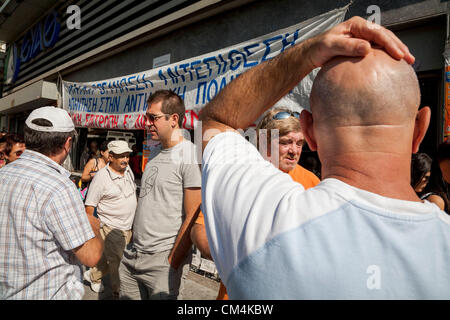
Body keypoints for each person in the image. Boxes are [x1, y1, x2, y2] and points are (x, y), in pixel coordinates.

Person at [199, 17, 450, 299]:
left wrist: (308, 52)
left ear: (308, 132)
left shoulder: (269, 218)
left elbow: (216, 121)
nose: (292, 150)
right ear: (421, 128)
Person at [191, 107, 320, 299]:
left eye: (300, 143)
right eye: (286, 142)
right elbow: (198, 230)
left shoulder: (313, 183)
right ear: (264, 141)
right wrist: (233, 255)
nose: (294, 151)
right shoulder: (240, 175)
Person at [0, 106, 103, 299]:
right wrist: (94, 225)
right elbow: (91, 256)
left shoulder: (3, 174)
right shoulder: (59, 187)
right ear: (67, 143)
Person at [119, 90, 202, 300]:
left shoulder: (190, 155)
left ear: (174, 119)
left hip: (162, 263)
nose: (146, 123)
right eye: (147, 117)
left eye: (152, 117)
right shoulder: (154, 151)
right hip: (132, 256)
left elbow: (193, 216)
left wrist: (172, 261)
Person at [83, 140, 137, 298]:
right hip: (111, 227)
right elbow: (89, 206)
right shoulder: (101, 178)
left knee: (108, 257)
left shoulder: (128, 170)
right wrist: (91, 233)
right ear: (110, 157)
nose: (125, 160)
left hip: (128, 226)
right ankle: (117, 292)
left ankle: (94, 275)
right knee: (118, 263)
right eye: (121, 156)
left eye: (127, 156)